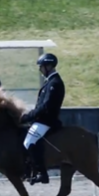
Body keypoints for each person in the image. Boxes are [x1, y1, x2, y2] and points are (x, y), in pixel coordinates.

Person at [19, 53, 65, 185]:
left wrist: (29, 116)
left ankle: (41, 173)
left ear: (49, 66)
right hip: (41, 119)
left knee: (29, 142)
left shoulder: (54, 83)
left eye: (42, 67)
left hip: (47, 121)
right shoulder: (50, 82)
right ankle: (28, 170)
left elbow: (45, 107)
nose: (40, 70)